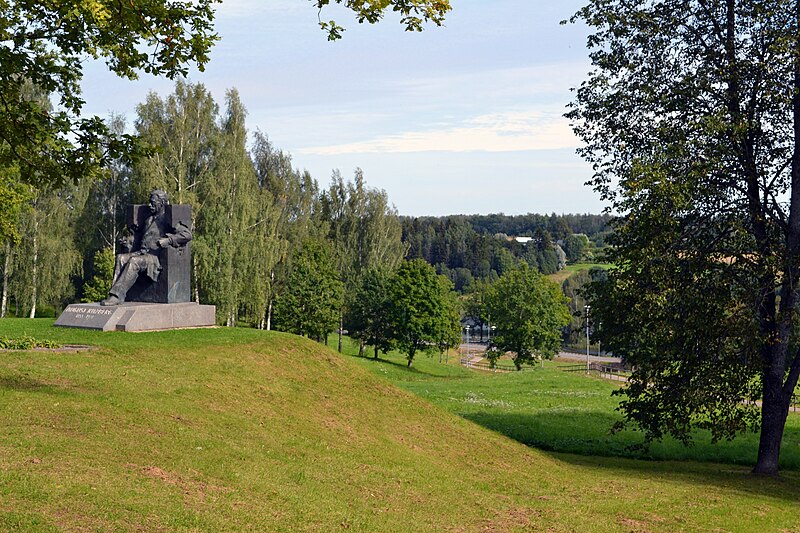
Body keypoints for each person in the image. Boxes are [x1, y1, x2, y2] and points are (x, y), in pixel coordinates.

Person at [100, 190, 191, 306]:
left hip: (155, 258)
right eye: (150, 202)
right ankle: (114, 295)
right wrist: (128, 241)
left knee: (134, 261)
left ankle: (117, 295)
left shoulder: (167, 219)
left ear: (162, 203)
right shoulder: (149, 219)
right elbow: (139, 238)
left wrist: (168, 240)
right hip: (141, 253)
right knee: (120, 258)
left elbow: (187, 235)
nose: (150, 205)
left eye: (153, 203)